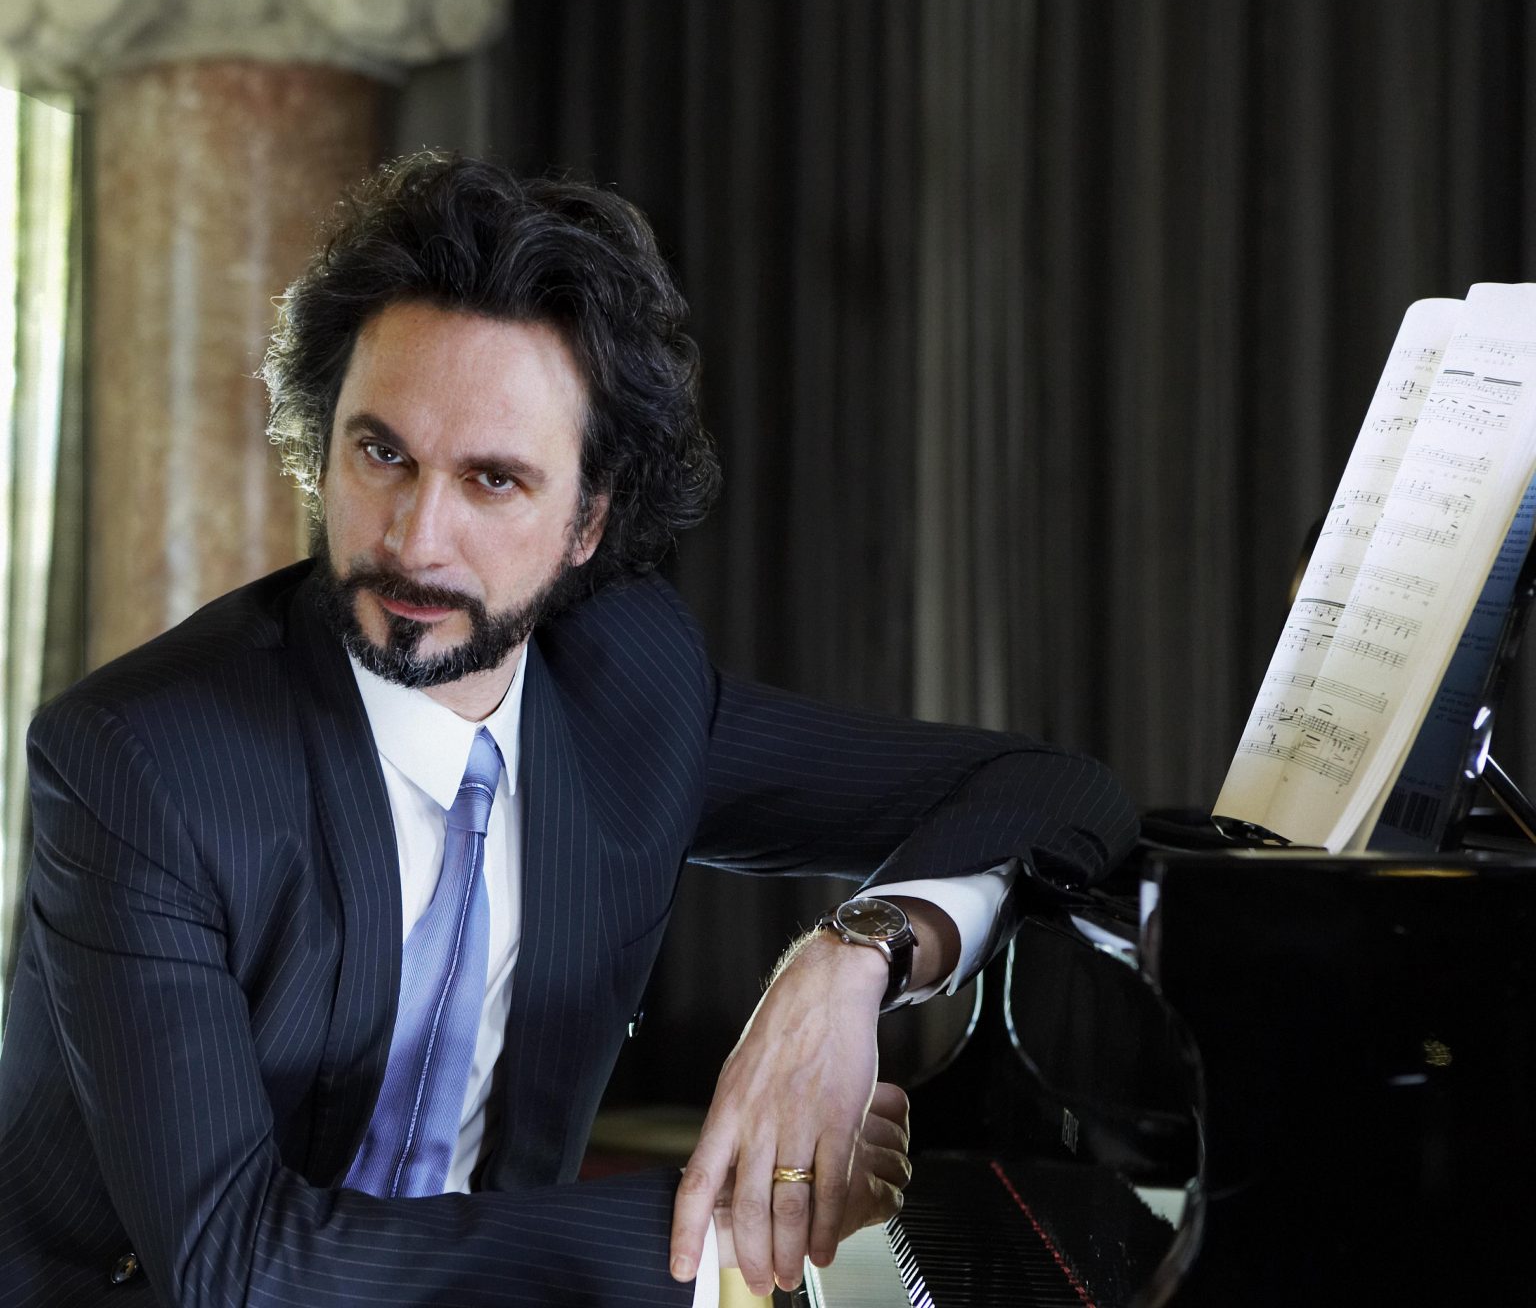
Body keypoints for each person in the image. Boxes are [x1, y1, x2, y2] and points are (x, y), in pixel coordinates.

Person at [0, 153, 1137, 1307]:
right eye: (382, 452)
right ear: (321, 438)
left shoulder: (625, 687)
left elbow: (1052, 791)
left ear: (590, 519)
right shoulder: (140, 763)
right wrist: (744, 1202)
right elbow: (234, 1269)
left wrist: (850, 957)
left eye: (493, 481)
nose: (415, 540)